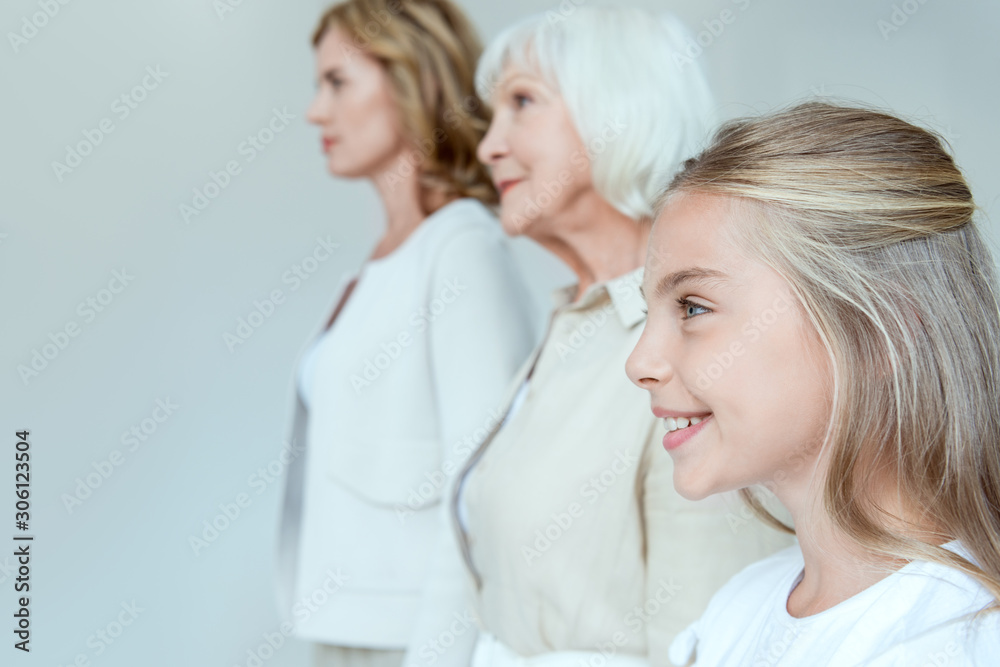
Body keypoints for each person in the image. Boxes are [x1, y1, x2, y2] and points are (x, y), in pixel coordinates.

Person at [448, 8, 794, 666]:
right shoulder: (574, 324)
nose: (488, 145)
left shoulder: (698, 347)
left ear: (619, 111)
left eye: (523, 102)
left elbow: (706, 642)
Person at [626, 102, 1000, 666]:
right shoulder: (737, 610)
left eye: (694, 307)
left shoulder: (960, 642)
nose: (639, 362)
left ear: (881, 332)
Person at [275, 2, 537, 666]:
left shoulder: (461, 249)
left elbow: (483, 489)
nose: (315, 111)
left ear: (410, 80)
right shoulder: (388, 260)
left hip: (410, 644)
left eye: (337, 82)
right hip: (346, 632)